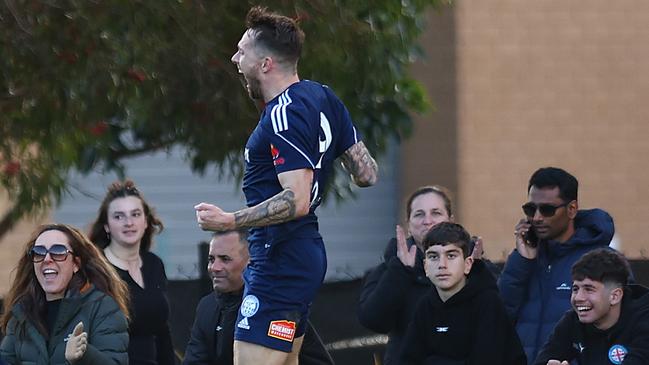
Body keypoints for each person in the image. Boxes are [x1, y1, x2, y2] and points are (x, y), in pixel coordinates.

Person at [193, 6, 378, 365]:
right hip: (300, 254)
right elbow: (367, 174)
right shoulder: (322, 96)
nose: (234, 58)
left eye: (242, 51)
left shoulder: (284, 111)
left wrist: (229, 222)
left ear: (265, 65)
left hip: (279, 260)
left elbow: (296, 201)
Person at [498, 167, 615, 363]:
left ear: (572, 209)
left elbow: (621, 332)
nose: (536, 217)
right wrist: (522, 261)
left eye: (547, 209)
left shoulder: (603, 262)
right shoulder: (524, 259)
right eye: (530, 209)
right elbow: (499, 318)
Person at [183, 229, 334, 365]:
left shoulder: (276, 306)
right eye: (211, 259)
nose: (214, 267)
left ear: (251, 261)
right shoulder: (207, 306)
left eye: (225, 259)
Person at [0, 223, 130, 364]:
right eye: (39, 252)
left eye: (58, 251)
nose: (47, 259)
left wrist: (84, 356)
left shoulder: (103, 307)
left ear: (76, 264)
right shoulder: (22, 313)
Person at [399, 222, 526, 365]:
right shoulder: (425, 307)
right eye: (433, 257)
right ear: (425, 267)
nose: (442, 264)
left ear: (467, 264)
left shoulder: (488, 303)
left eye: (451, 255)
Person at [357, 185, 455, 364]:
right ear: (408, 225)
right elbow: (373, 320)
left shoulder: (472, 265)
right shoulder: (391, 269)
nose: (428, 221)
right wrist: (401, 272)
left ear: (451, 220)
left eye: (436, 213)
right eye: (419, 214)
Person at [89, 180, 176, 365]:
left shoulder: (154, 264)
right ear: (106, 226)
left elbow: (162, 332)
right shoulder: (96, 270)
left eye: (135, 214)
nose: (129, 222)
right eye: (119, 216)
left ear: (146, 222)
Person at [534, 248, 649, 365]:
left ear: (614, 296)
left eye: (589, 289)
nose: (578, 297)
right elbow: (544, 360)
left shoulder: (643, 321)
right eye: (575, 289)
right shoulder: (572, 321)